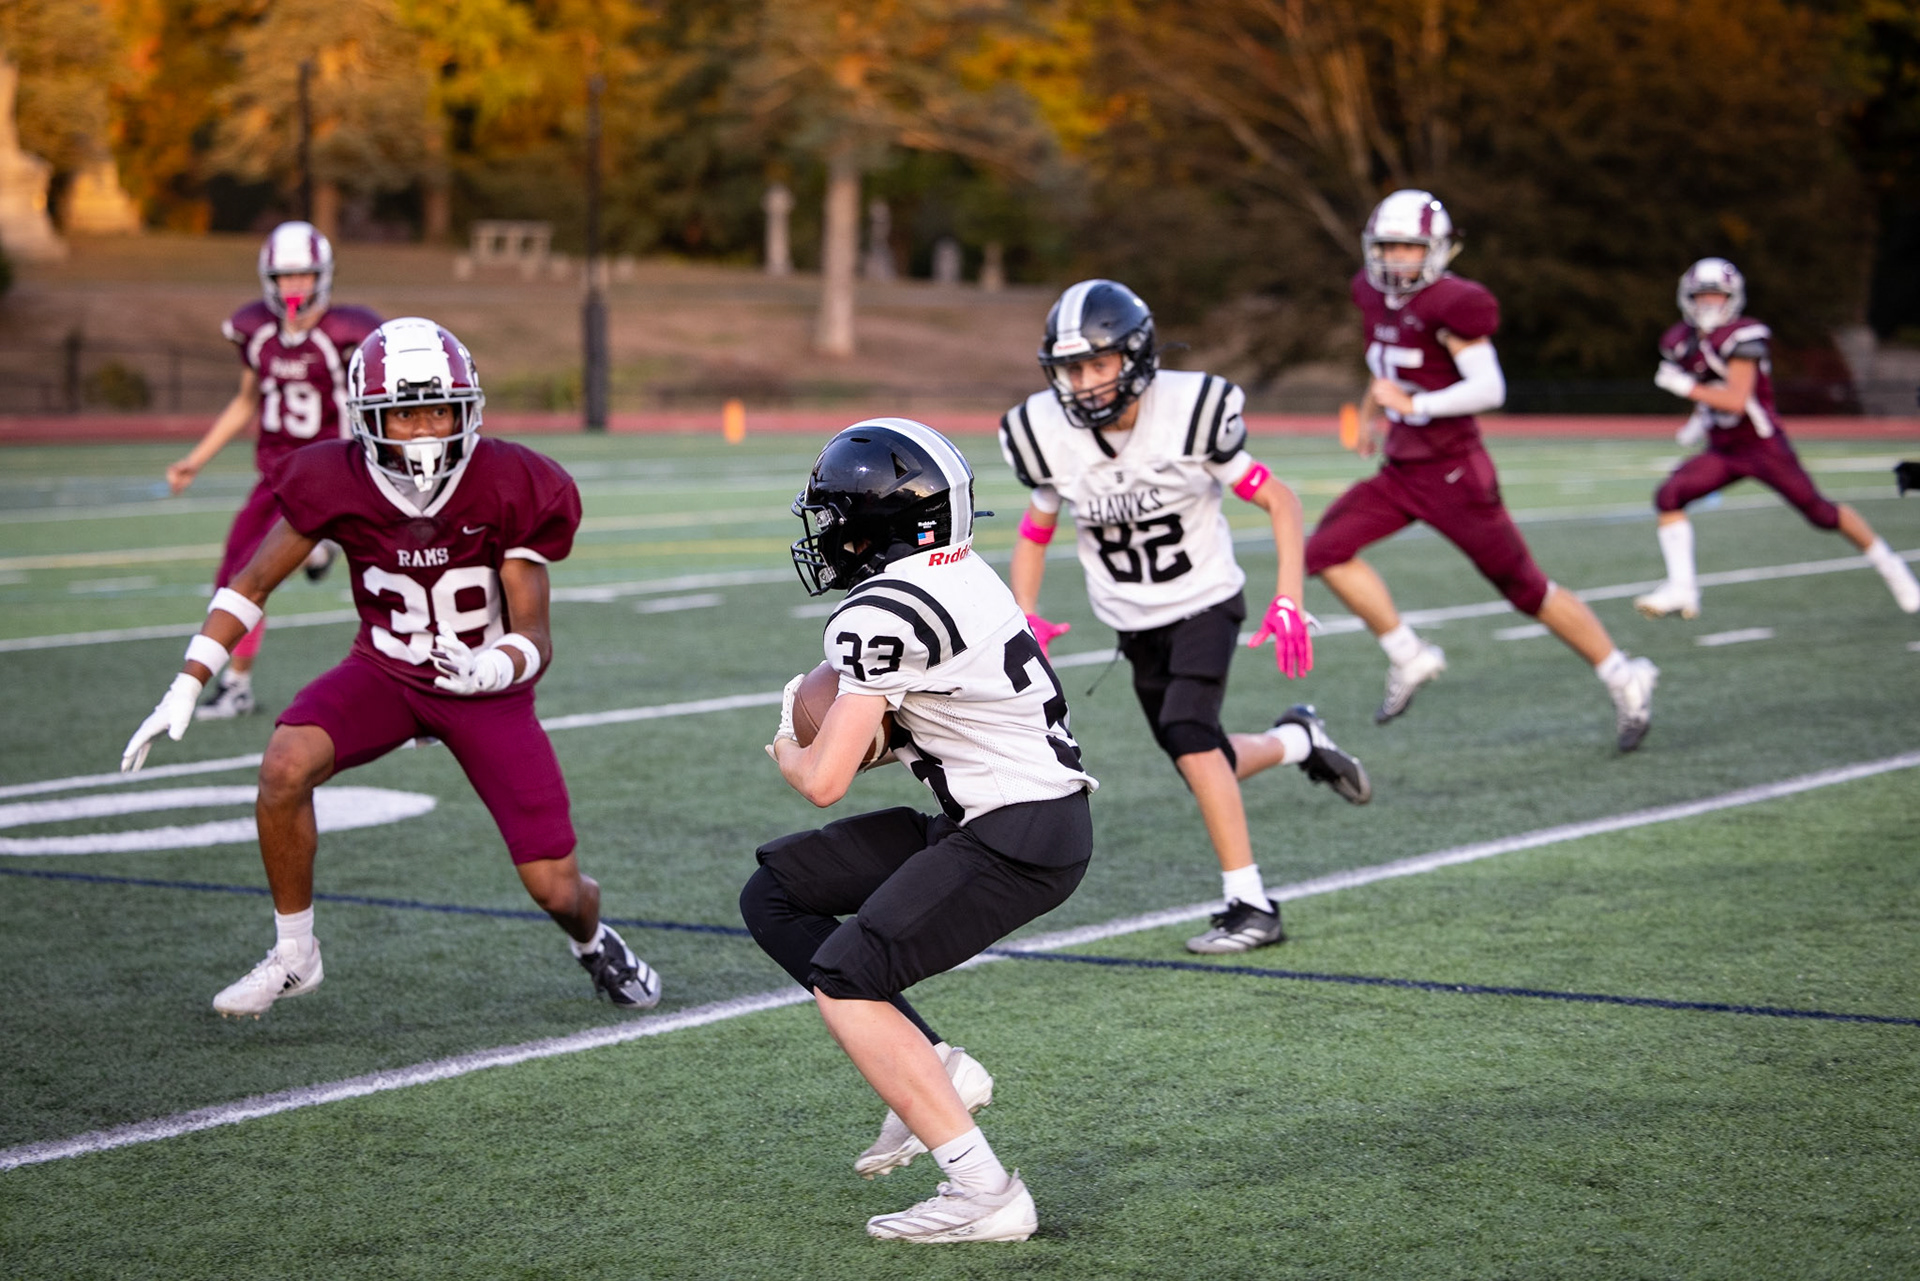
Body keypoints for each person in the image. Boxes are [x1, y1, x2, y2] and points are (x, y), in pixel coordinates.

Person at [121, 317, 660, 1018]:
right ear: (369, 419)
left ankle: (593, 942)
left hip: (484, 690)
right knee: (284, 765)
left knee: (555, 888)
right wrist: (187, 681)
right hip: (385, 670)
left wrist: (488, 669)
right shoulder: (333, 477)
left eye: (440, 408)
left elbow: (535, 634)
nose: (427, 429)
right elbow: (251, 582)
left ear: (468, 406)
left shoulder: (511, 480)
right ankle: (294, 954)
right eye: (405, 413)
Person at [742, 419, 1096, 1243]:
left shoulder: (883, 610)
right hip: (993, 813)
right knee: (778, 894)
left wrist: (793, 744)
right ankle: (934, 1067)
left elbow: (823, 781)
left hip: (1018, 836)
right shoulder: (960, 572)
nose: (829, 534)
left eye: (838, 517)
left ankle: (984, 1190)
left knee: (845, 977)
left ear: (882, 524)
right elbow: (918, 723)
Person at [999, 278, 1369, 956]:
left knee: (1188, 732)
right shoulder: (1045, 435)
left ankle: (1250, 901)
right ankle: (1299, 741)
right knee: (1201, 755)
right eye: (1070, 368)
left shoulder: (1191, 411)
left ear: (1136, 357)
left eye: (1097, 364)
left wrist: (1290, 594)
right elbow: (1035, 526)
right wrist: (1025, 608)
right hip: (1132, 621)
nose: (1082, 383)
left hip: (1205, 600)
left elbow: (1280, 499)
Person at [1307, 189, 1660, 750]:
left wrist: (1413, 406)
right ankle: (1410, 655)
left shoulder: (1455, 303)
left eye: (1409, 248)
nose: (1397, 260)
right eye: (1389, 247)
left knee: (1526, 589)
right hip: (1402, 469)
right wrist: (1376, 412)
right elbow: (1387, 365)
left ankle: (1624, 674)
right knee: (1323, 551)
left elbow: (1489, 388)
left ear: (1438, 250)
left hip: (1453, 475)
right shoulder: (1370, 295)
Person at [164, 221, 382, 719]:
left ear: (323, 275)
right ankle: (236, 684)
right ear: (269, 278)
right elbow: (246, 402)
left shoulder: (347, 333)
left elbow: (367, 407)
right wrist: (195, 460)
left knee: (397, 569)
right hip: (280, 477)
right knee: (238, 573)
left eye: (304, 275)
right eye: (285, 277)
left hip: (341, 470)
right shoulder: (257, 332)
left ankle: (430, 690)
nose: (295, 287)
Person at [1635, 257, 1920, 618]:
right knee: (1669, 495)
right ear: (1686, 298)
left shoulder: (1742, 337)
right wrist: (1698, 419)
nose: (1708, 303)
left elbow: (1737, 399)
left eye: (1716, 296)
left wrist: (1687, 388)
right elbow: (1711, 388)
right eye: (1701, 296)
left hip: (1763, 447)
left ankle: (1891, 565)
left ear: (1732, 299)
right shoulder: (1681, 342)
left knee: (1821, 513)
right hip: (1724, 449)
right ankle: (1682, 589)